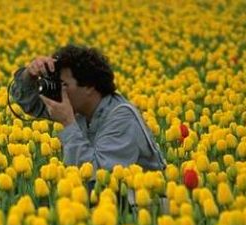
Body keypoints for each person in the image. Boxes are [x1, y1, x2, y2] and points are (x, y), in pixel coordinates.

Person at [10, 44, 166, 174]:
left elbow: (98, 176)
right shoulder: (81, 108)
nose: (60, 91)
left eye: (64, 85)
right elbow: (29, 102)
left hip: (141, 206)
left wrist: (68, 123)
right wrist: (29, 74)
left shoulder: (121, 119)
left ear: (89, 86)